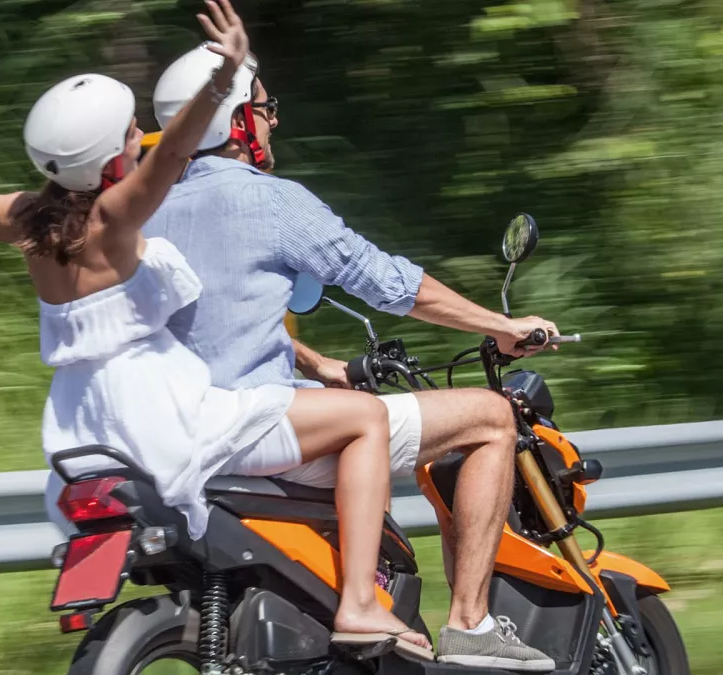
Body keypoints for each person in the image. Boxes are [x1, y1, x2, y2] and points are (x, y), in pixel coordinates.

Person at [0, 0, 431, 659]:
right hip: (159, 406)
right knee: (365, 418)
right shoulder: (114, 219)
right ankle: (360, 602)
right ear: (111, 160)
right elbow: (176, 149)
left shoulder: (26, 218)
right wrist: (221, 76)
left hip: (79, 420)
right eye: (128, 135)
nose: (139, 138)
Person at [143, 44, 559, 671]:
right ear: (234, 122)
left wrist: (317, 365)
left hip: (173, 432)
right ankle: (470, 622)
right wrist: (499, 326)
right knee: (492, 418)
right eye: (263, 108)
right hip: (254, 433)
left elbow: (208, 323)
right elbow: (389, 283)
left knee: (348, 412)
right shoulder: (272, 201)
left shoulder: (146, 213)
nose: (272, 120)